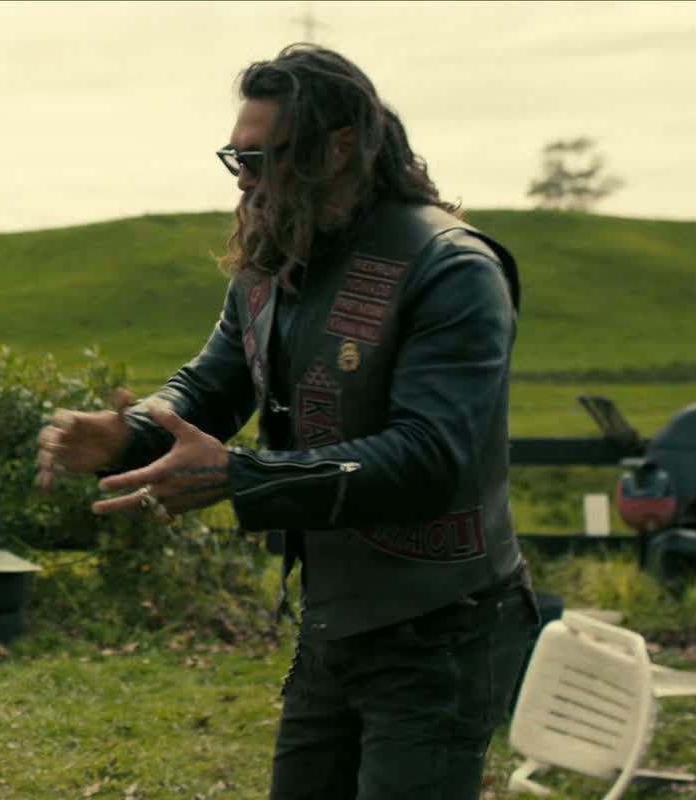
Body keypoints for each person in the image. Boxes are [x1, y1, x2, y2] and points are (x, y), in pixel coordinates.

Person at [35, 45, 536, 799]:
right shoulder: (275, 264)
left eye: (260, 158)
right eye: (234, 158)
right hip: (333, 620)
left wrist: (241, 477)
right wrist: (131, 432)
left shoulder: (452, 268)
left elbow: (431, 458)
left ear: (338, 149)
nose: (243, 179)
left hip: (442, 627)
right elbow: (211, 385)